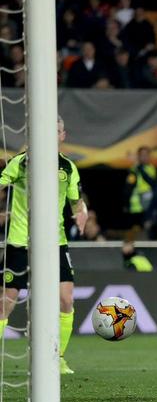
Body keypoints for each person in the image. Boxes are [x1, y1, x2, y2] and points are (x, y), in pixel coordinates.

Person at [0, 116, 89, 375]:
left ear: (63, 135)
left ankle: (57, 357)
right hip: (20, 241)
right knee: (6, 302)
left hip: (55, 243)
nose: (52, 134)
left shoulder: (69, 168)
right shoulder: (21, 162)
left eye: (57, 130)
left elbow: (76, 201)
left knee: (65, 298)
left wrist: (81, 212)